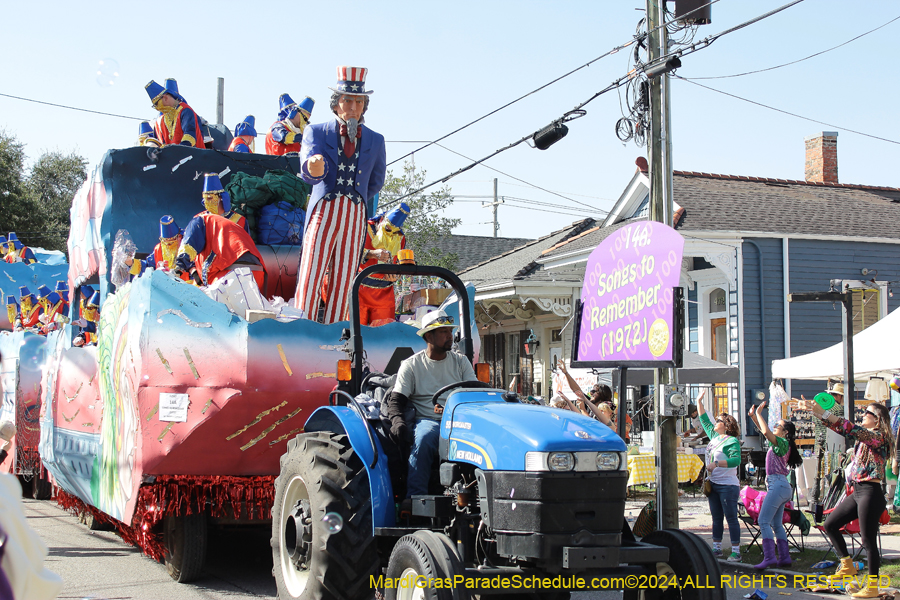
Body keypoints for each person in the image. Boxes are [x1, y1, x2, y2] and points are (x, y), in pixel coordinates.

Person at [292, 66, 386, 323]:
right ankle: (302, 326)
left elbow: (376, 181)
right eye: (347, 100)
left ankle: (335, 332)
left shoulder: (376, 140)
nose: (353, 107)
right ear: (336, 104)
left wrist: (356, 197)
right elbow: (309, 167)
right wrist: (313, 167)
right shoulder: (317, 131)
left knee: (345, 278)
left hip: (355, 213)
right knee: (311, 271)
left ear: (365, 105)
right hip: (325, 209)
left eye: (359, 101)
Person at [798, 397, 894, 598]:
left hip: (870, 492)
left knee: (868, 541)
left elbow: (850, 428)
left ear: (877, 420)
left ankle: (873, 586)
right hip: (857, 491)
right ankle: (847, 565)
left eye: (867, 413)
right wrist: (816, 413)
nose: (862, 415)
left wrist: (824, 412)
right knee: (831, 524)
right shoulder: (864, 436)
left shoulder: (879, 437)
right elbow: (842, 429)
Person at [385, 310, 477, 499]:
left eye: (450, 331)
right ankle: (415, 498)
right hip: (430, 420)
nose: (449, 336)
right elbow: (396, 401)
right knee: (424, 438)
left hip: (460, 420)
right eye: (443, 332)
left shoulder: (461, 362)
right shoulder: (411, 365)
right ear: (429, 336)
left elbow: (474, 394)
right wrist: (397, 422)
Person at [747, 401, 803, 569]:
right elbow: (766, 432)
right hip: (780, 486)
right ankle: (784, 558)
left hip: (778, 485)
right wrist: (753, 416)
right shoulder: (781, 442)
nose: (775, 427)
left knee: (764, 521)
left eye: (778, 426)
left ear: (785, 432)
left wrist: (758, 412)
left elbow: (766, 431)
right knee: (776, 524)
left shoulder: (783, 443)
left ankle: (770, 557)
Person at [697, 390, 742, 562]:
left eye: (719, 421)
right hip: (714, 483)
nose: (715, 422)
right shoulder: (715, 437)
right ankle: (717, 549)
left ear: (726, 424)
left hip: (727, 485)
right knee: (716, 517)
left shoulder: (731, 441)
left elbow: (736, 460)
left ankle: (736, 551)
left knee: (731, 517)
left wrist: (716, 464)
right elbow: (704, 420)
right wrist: (699, 401)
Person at [175, 211, 264, 289]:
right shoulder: (224, 224)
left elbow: (187, 248)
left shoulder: (196, 222)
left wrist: (177, 270)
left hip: (230, 273)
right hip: (257, 272)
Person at [357, 202, 410, 326]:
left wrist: (396, 274)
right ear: (381, 221)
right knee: (355, 332)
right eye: (388, 229)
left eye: (395, 232)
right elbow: (348, 252)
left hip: (385, 294)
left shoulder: (400, 238)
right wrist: (371, 254)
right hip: (360, 290)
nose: (390, 234)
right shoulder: (363, 228)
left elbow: (401, 264)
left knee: (383, 337)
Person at [145, 79, 206, 148]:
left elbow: (190, 135)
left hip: (192, 156)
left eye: (156, 104)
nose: (157, 108)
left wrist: (178, 149)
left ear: (165, 98)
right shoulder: (160, 121)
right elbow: (157, 141)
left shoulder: (185, 111)